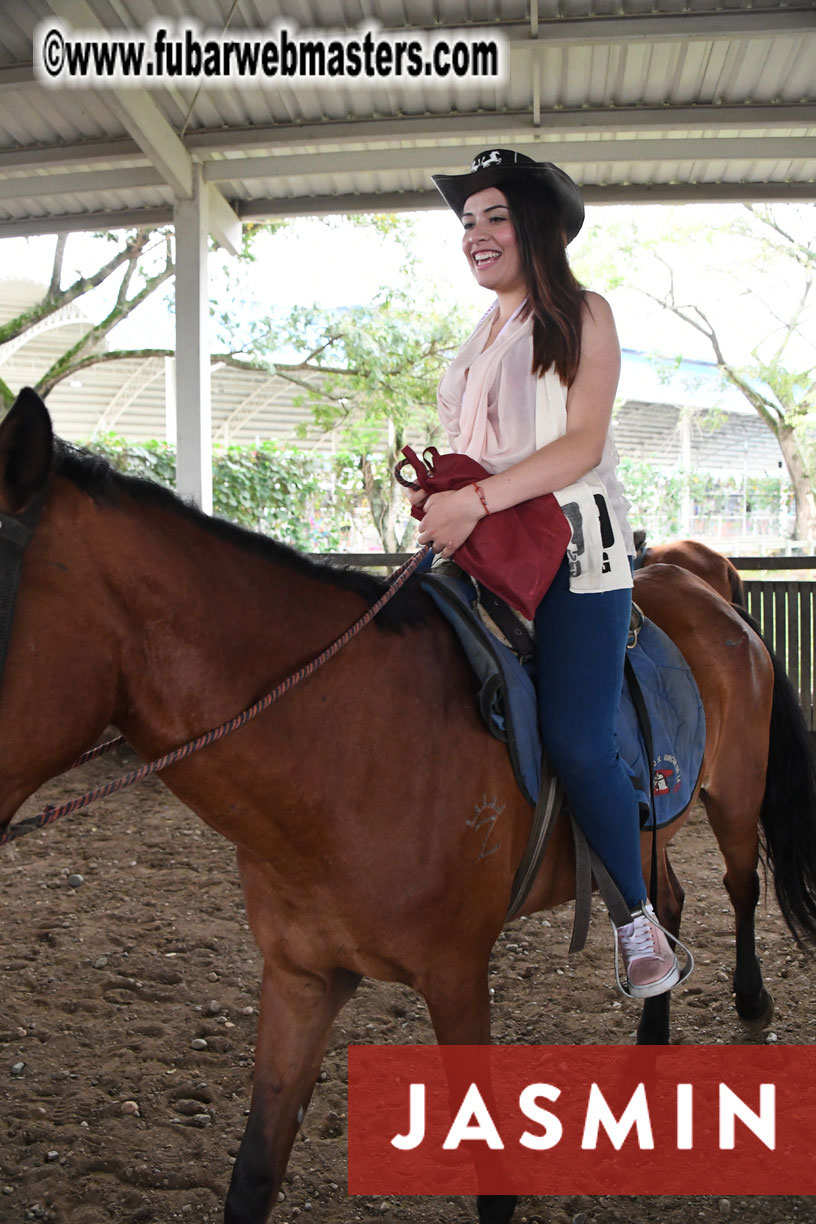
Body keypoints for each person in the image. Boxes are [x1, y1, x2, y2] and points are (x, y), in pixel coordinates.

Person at [410, 148, 683, 999]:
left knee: (574, 733)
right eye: (467, 223)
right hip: (481, 546)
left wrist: (476, 502)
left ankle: (639, 920)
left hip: (574, 556)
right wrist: (440, 501)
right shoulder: (478, 335)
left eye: (494, 218)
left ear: (535, 230)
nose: (477, 236)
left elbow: (582, 446)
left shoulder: (581, 314)